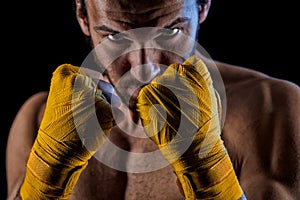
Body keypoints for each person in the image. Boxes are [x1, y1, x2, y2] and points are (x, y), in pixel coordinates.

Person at [6, 0, 300, 199]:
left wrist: (209, 171)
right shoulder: (38, 118)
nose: (144, 68)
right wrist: (42, 184)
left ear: (203, 7)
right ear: (83, 17)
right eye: (115, 38)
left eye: (171, 32)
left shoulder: (270, 109)